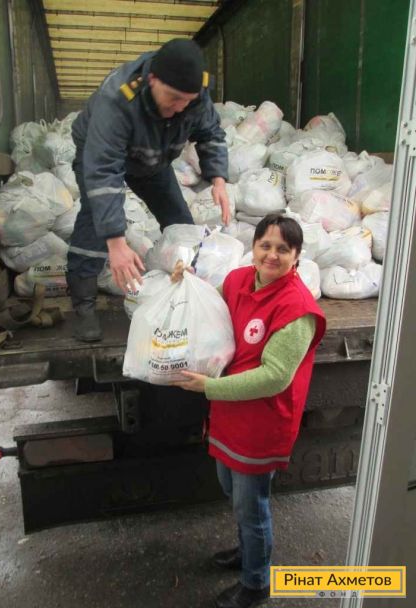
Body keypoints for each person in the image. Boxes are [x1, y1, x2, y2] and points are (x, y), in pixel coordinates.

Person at [173, 213, 326, 608]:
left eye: (283, 249)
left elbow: (274, 377)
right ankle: (247, 551)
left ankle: (256, 583)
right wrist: (184, 281)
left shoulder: (297, 308)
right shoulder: (239, 280)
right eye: (265, 245)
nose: (272, 255)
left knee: (251, 506)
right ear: (253, 247)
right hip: (230, 412)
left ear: (297, 255)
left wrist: (209, 387)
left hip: (262, 420)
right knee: (231, 489)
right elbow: (209, 305)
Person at [66, 38, 230, 342]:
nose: (179, 107)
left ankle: (184, 299)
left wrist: (218, 179)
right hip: (98, 154)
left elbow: (210, 133)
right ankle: (84, 306)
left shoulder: (195, 94)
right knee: (95, 221)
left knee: (181, 225)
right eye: (173, 98)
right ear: (152, 79)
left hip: (152, 158)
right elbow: (104, 171)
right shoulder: (117, 99)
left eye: (187, 101)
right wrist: (116, 243)